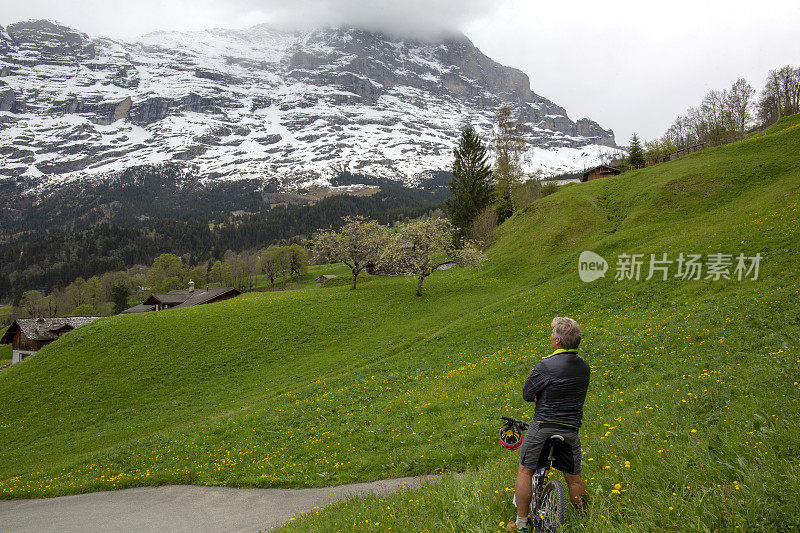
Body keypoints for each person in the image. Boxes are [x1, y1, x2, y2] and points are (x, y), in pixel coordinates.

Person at [507, 317, 591, 532]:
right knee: (574, 478)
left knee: (525, 471)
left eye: (553, 335)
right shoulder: (584, 366)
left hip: (544, 425)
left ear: (558, 342)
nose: (551, 338)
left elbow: (527, 393)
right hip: (570, 428)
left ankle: (521, 524)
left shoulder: (545, 365)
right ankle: (586, 521)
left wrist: (539, 396)